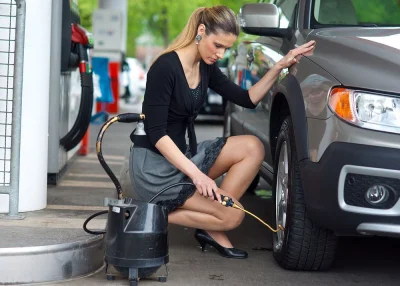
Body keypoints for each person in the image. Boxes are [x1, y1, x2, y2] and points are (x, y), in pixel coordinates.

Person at [129, 5, 315, 259]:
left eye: (226, 48)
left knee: (253, 147)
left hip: (182, 157)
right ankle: (150, 215)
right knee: (234, 214)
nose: (220, 53)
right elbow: (157, 134)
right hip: (154, 168)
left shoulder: (205, 66)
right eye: (217, 45)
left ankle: (210, 221)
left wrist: (280, 65)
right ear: (201, 31)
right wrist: (198, 176)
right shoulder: (165, 67)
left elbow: (247, 98)